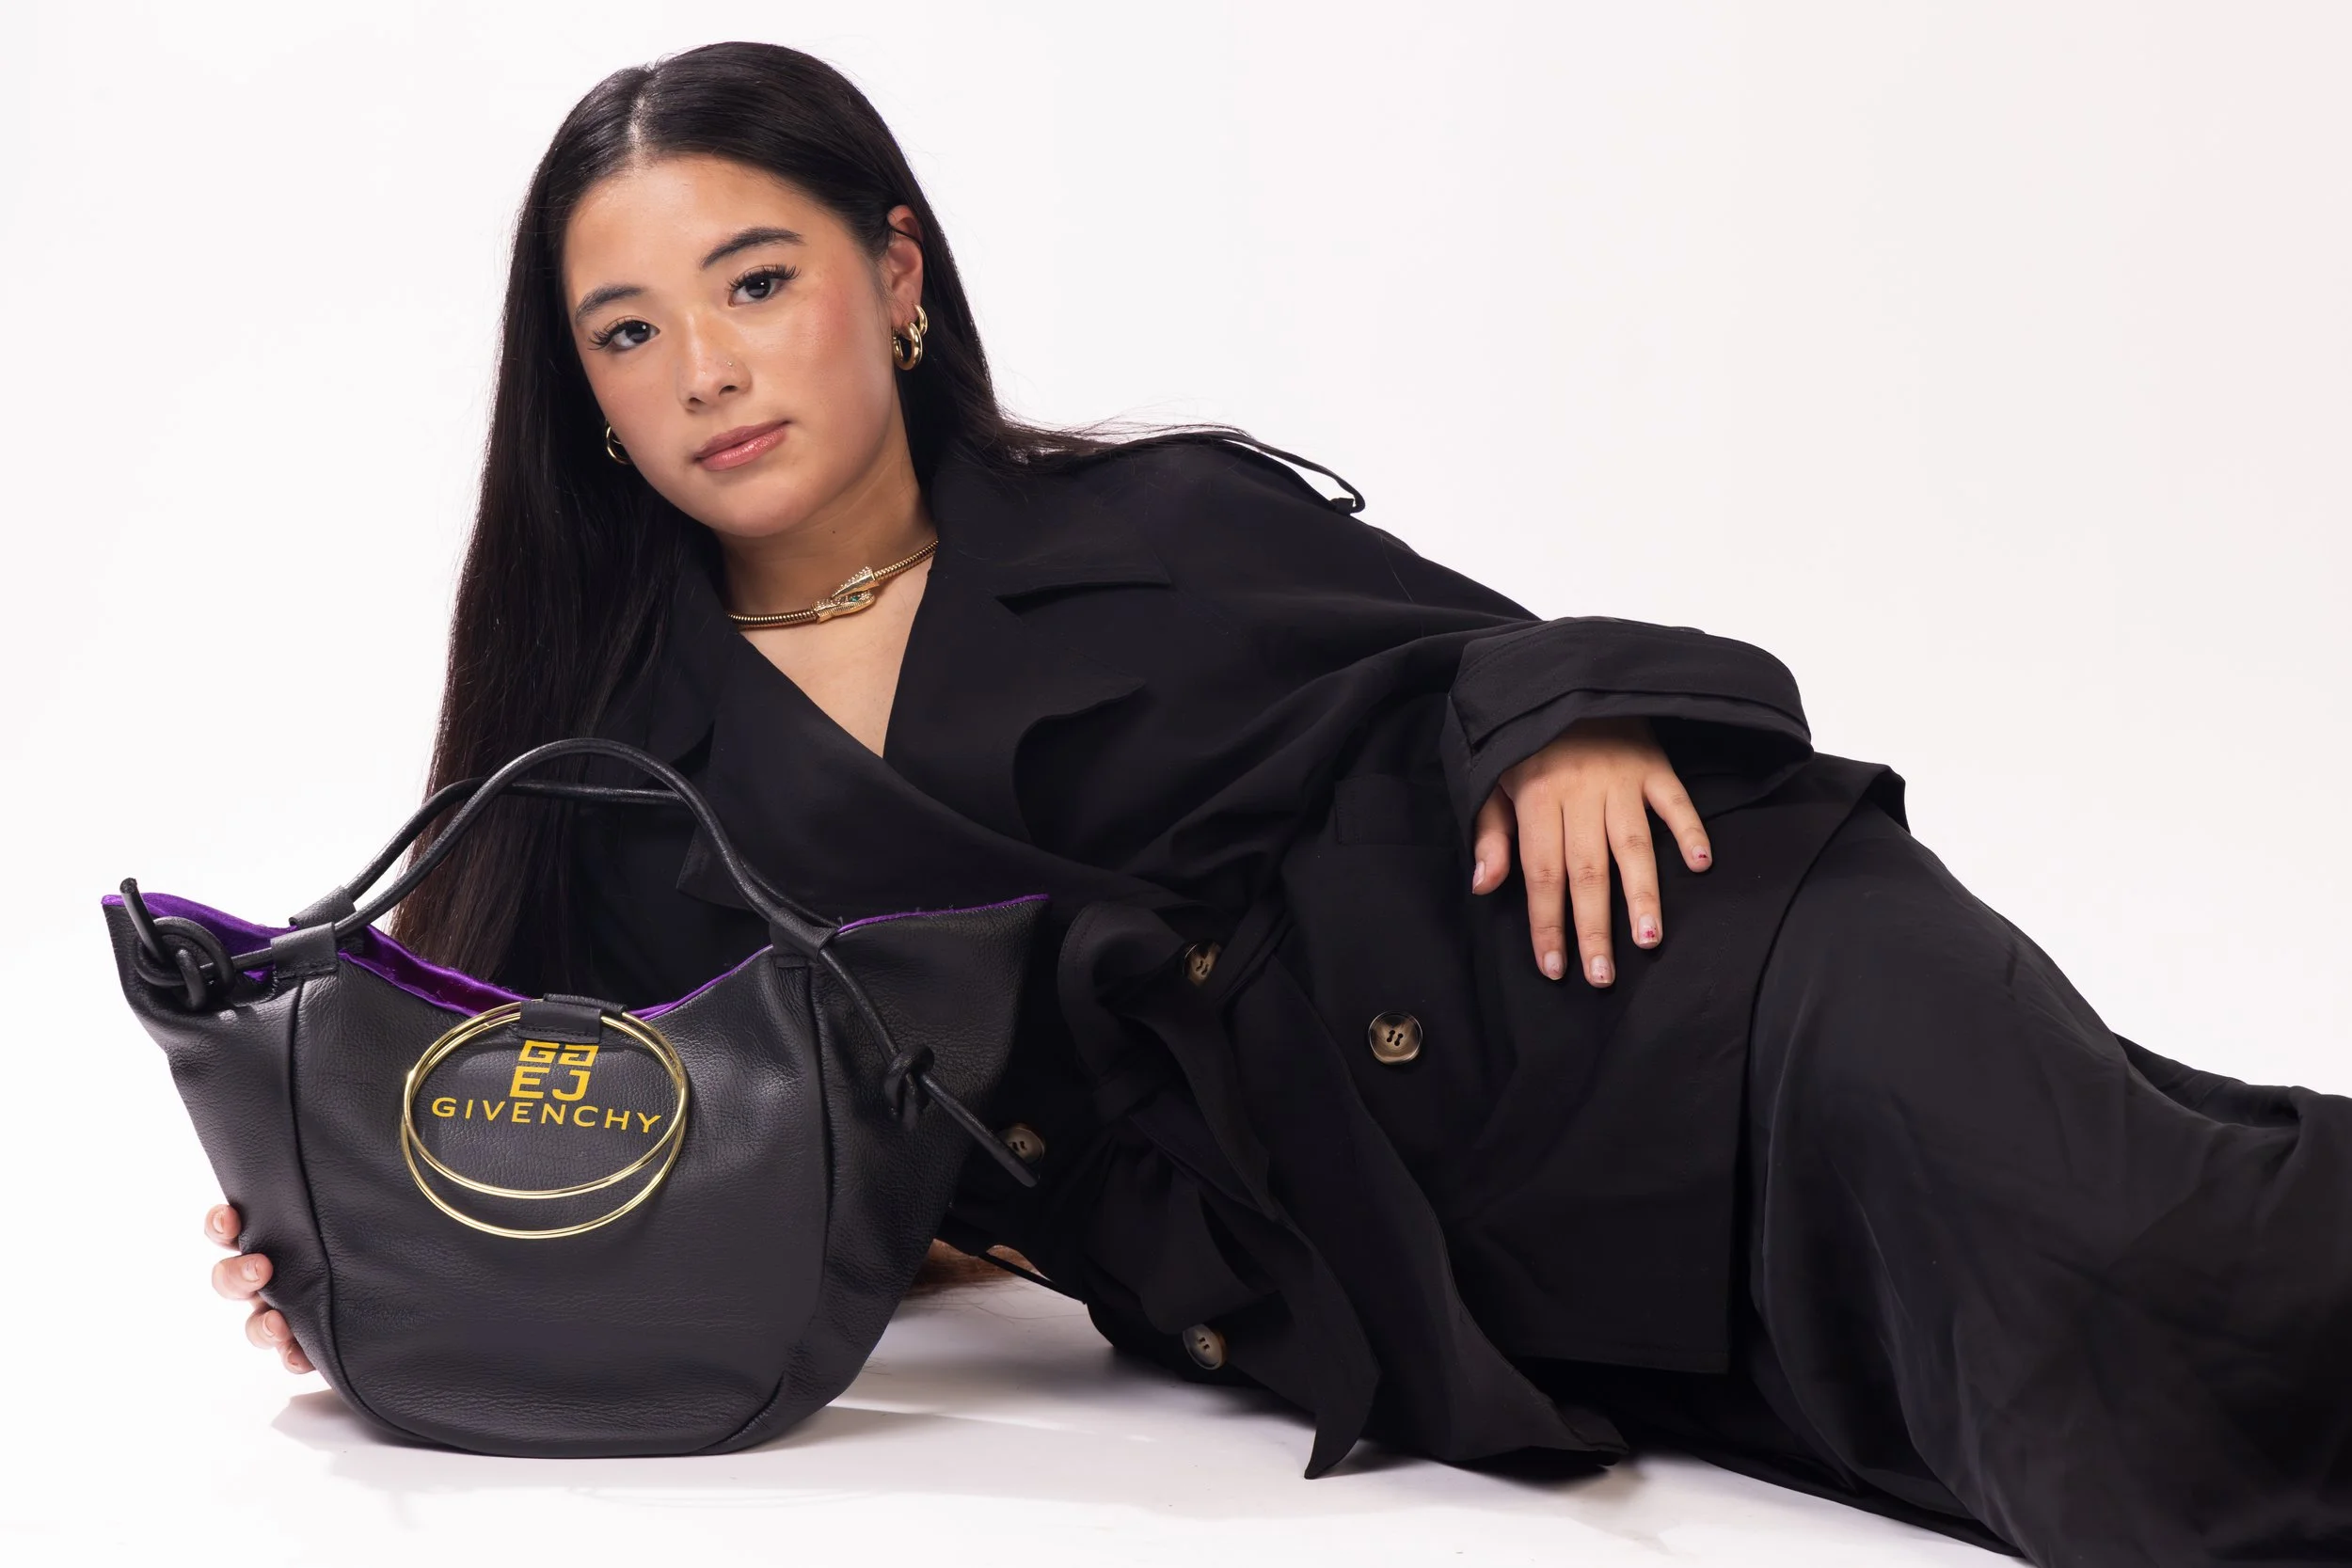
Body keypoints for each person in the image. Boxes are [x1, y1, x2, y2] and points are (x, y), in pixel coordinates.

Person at [197, 41, 2352, 1565]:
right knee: (2044, 1442)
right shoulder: (621, 786)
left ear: (895, 274)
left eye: (756, 282)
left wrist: (1562, 724)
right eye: (629, 331)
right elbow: (558, 1118)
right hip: (1468, 1259)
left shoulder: (1149, 511)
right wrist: (360, 1249)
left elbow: (1485, 652)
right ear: (577, 395)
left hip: (1696, 989)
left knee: (2153, 1260)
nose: (709, 371)